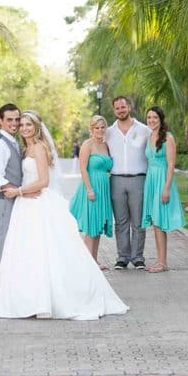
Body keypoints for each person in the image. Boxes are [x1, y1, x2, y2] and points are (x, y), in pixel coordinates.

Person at [0, 110, 129, 320]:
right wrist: (22, 192)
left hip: (37, 202)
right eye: (22, 125)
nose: (25, 128)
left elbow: (43, 181)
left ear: (36, 127)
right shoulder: (25, 148)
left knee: (44, 252)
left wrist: (19, 191)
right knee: (29, 253)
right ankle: (31, 299)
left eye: (29, 125)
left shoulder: (38, 148)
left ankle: (50, 300)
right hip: (26, 205)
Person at [106, 96, 152, 270]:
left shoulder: (144, 130)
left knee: (138, 221)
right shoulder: (109, 132)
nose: (120, 110)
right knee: (121, 221)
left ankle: (138, 257)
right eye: (117, 108)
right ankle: (123, 257)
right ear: (114, 110)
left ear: (129, 107)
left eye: (123, 107)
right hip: (116, 179)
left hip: (138, 179)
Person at [141, 106, 185, 273]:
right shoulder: (149, 136)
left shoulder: (168, 138)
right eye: (149, 117)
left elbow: (171, 164)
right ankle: (160, 261)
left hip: (162, 181)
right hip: (151, 180)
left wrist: (166, 189)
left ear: (161, 119)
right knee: (154, 221)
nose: (151, 120)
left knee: (159, 221)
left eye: (155, 118)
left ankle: (162, 262)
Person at [69, 115, 114, 270]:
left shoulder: (106, 145)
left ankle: (93, 261)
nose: (100, 130)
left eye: (102, 127)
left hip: (104, 188)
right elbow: (83, 168)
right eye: (97, 127)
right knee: (91, 227)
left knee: (98, 226)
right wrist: (89, 189)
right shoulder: (87, 145)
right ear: (92, 129)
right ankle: (86, 264)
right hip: (92, 187)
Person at [0, 103, 22, 286]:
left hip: (14, 203)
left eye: (17, 119)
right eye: (9, 120)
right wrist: (19, 192)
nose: (14, 123)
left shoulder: (15, 143)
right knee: (1, 251)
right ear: (1, 121)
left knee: (12, 251)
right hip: (2, 204)